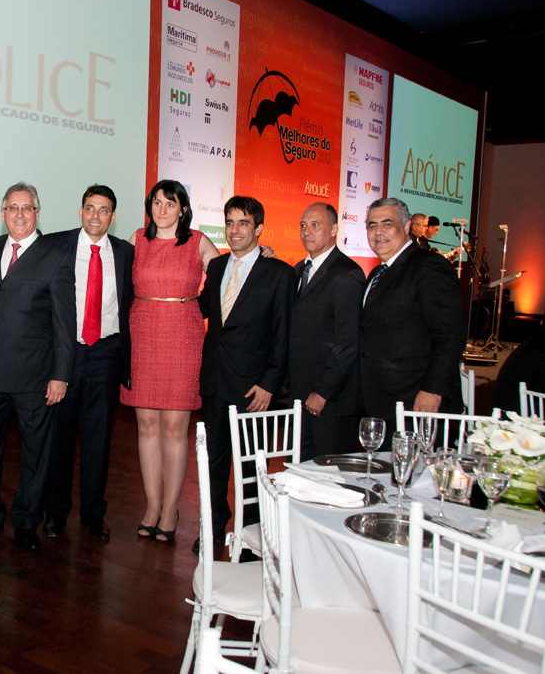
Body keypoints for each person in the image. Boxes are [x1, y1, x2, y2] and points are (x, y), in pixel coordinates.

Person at [0, 182, 75, 551]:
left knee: (36, 455)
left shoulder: (55, 257)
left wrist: (61, 375)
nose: (19, 214)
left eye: (27, 208)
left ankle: (27, 522)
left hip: (35, 378)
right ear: (3, 213)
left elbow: (65, 323)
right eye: (12, 207)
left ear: (37, 213)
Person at [120, 179, 219, 543]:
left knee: (176, 428)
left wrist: (262, 254)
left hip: (183, 334)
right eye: (156, 203)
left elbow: (229, 274)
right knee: (146, 425)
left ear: (183, 209)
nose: (162, 210)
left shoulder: (197, 242)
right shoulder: (136, 239)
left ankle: (170, 509)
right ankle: (151, 506)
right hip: (142, 333)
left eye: (170, 203)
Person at [197, 196, 294, 552]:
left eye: (243, 223)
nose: (235, 230)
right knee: (214, 462)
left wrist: (269, 384)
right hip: (215, 382)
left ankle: (253, 536)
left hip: (254, 389)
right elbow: (203, 309)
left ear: (259, 229)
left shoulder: (279, 273)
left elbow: (283, 334)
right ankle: (211, 529)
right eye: (230, 222)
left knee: (254, 468)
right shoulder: (217, 267)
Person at [42, 185, 134, 543]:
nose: (96, 216)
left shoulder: (125, 253)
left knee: (99, 440)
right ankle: (55, 513)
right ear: (81, 211)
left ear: (113, 216)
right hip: (66, 354)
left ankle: (94, 515)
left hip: (106, 355)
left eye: (104, 209)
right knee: (60, 440)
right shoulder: (55, 245)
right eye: (90, 208)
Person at [360, 197, 465, 427]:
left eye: (387, 224)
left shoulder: (429, 266)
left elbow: (450, 335)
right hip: (382, 400)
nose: (378, 232)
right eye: (372, 225)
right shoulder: (377, 274)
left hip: (417, 402)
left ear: (407, 226)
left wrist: (432, 390)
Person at [288, 203, 364, 459]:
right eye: (303, 225)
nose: (306, 231)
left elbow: (348, 342)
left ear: (333, 230)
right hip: (298, 394)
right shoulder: (298, 270)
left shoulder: (347, 273)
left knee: (326, 471)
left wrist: (323, 392)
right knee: (297, 466)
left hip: (329, 400)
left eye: (315, 225)